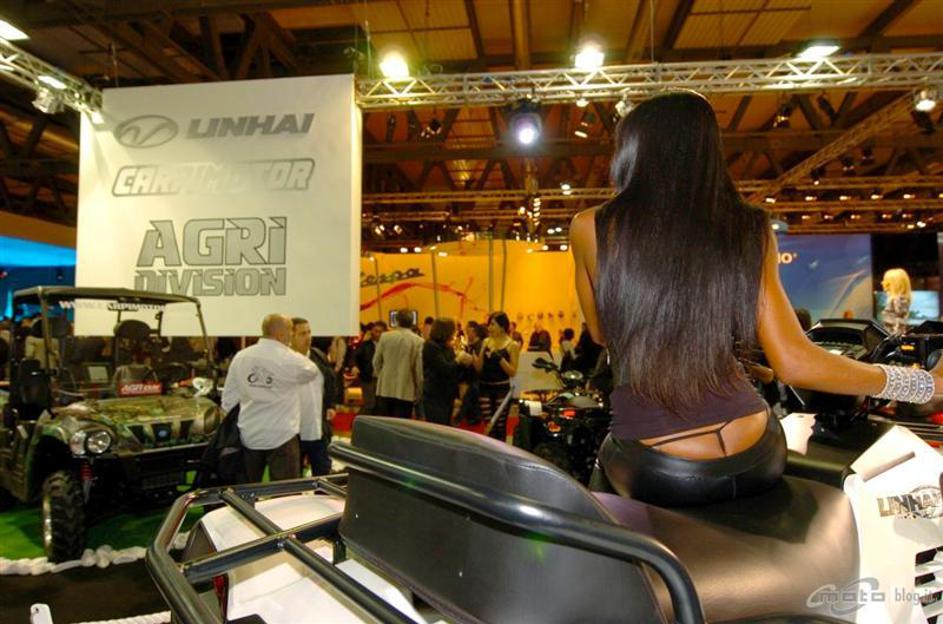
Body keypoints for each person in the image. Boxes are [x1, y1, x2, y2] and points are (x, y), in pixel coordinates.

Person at [569, 91, 943, 508]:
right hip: (756, 450)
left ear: (631, 151)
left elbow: (601, 333)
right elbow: (796, 362)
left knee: (599, 485)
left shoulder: (590, 227)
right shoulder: (749, 227)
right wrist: (923, 383)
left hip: (659, 459)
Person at [221, 314, 321, 483]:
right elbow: (312, 371)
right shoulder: (290, 359)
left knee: (247, 491)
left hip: (249, 433)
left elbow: (229, 399)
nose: (291, 335)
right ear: (281, 334)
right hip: (282, 435)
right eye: (290, 331)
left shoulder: (241, 357)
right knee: (285, 493)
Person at [290, 318, 335, 477]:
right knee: (294, 477)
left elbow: (330, 381)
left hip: (318, 427)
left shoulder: (318, 355)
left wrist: (330, 405)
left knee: (323, 472)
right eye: (302, 334)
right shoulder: (284, 360)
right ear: (291, 336)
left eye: (309, 332)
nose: (308, 337)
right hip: (294, 430)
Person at [473, 311, 520, 441]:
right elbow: (479, 368)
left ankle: (501, 450)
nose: (490, 328)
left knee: (500, 425)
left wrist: (499, 358)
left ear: (502, 326)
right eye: (489, 324)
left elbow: (512, 371)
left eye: (493, 324)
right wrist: (474, 355)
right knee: (488, 425)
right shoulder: (486, 341)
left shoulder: (512, 345)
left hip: (502, 390)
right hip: (484, 388)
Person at [373, 309, 424, 418]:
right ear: (412, 322)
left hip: (385, 387)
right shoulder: (418, 341)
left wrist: (380, 375)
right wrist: (419, 389)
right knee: (401, 424)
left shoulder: (385, 337)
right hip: (406, 389)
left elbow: (376, 361)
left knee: (384, 422)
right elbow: (418, 369)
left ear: (397, 320)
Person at [422, 318, 474, 425]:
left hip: (447, 394)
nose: (454, 333)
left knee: (445, 425)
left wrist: (464, 364)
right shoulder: (431, 346)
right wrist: (458, 359)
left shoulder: (447, 347)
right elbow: (445, 368)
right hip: (435, 394)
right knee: (437, 426)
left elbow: (453, 370)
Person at [354, 321, 386, 415]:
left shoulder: (387, 346)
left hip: (382, 379)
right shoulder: (365, 345)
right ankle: (358, 420)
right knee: (369, 404)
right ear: (372, 331)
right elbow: (355, 356)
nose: (377, 334)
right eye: (376, 331)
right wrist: (355, 366)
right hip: (368, 378)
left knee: (380, 405)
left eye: (380, 332)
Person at [881, 268, 912, 334]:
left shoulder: (899, 300)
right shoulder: (893, 299)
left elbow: (900, 323)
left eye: (886, 281)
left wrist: (894, 338)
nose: (883, 283)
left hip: (893, 336)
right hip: (889, 335)